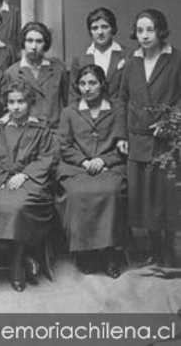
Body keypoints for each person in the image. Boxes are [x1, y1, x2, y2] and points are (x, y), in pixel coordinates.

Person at [0, 81, 57, 292]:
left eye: (21, 101)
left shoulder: (41, 130)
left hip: (31, 184)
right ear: (6, 104)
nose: (16, 107)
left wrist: (24, 175)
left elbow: (47, 158)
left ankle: (17, 262)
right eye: (11, 102)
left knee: (18, 207)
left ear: (29, 103)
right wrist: (0, 179)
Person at [118, 9, 181, 267]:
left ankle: (168, 247)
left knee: (165, 196)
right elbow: (122, 100)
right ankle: (153, 247)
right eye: (140, 30)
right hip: (138, 139)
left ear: (161, 31)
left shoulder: (176, 60)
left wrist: (170, 121)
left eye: (150, 30)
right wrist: (121, 135)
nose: (144, 36)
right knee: (143, 196)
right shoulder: (131, 63)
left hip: (167, 142)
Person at [57, 65, 126, 278]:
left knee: (111, 193)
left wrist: (104, 160)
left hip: (109, 166)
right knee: (78, 194)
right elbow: (64, 146)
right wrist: (85, 161)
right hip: (77, 167)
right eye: (83, 83)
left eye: (93, 83)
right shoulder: (69, 111)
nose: (87, 88)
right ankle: (85, 251)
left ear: (103, 84)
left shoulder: (117, 108)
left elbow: (122, 144)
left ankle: (109, 252)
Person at [4, 22, 68, 129]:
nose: (34, 46)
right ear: (23, 43)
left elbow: (66, 103)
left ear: (45, 44)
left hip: (54, 132)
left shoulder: (58, 69)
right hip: (26, 133)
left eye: (39, 41)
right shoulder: (12, 73)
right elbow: (8, 110)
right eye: (29, 41)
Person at [69, 7, 126, 102]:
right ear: (90, 31)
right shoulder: (80, 59)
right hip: (88, 115)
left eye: (104, 27)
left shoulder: (126, 55)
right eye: (95, 28)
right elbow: (73, 95)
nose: (100, 32)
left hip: (118, 113)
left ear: (113, 28)